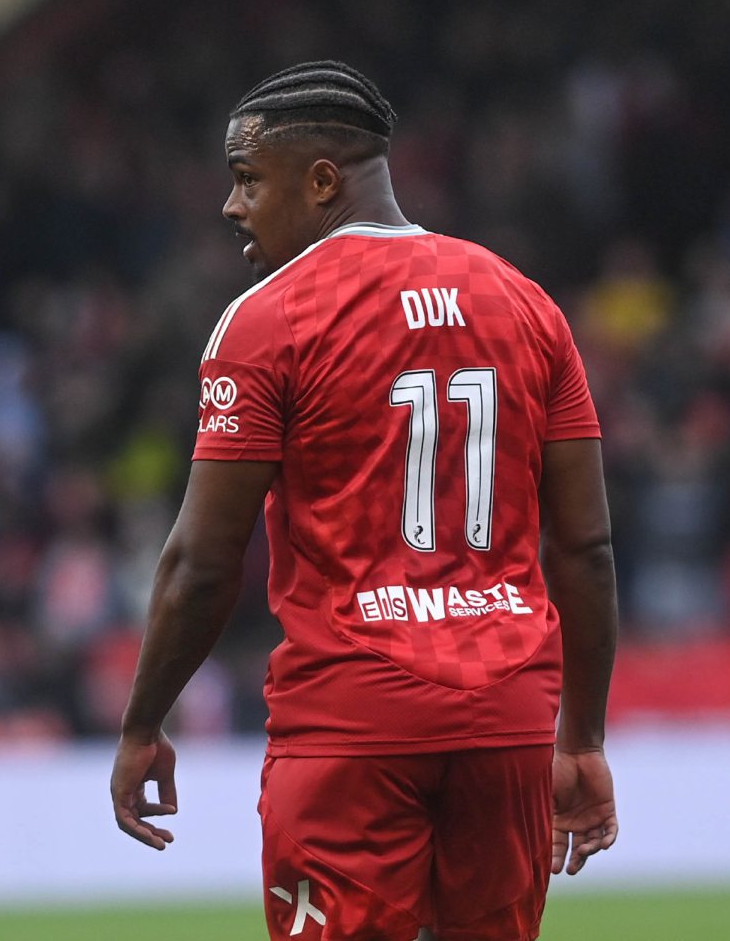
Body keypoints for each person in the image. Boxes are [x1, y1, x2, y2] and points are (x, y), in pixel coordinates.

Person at [111, 60, 618, 941]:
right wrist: (582, 739)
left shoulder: (269, 320)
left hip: (351, 719)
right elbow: (587, 550)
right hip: (507, 720)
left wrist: (143, 722)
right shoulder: (527, 304)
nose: (233, 207)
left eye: (246, 180)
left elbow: (201, 561)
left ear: (320, 181)